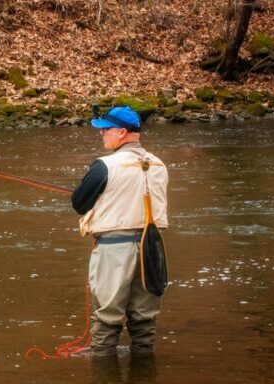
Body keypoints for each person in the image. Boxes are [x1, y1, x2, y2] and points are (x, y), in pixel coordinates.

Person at [71, 105, 168, 358]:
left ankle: (103, 368)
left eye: (106, 130)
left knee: (107, 317)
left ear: (122, 132)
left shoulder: (104, 165)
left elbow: (79, 204)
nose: (102, 134)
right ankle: (144, 370)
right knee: (144, 321)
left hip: (115, 248)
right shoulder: (159, 164)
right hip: (152, 249)